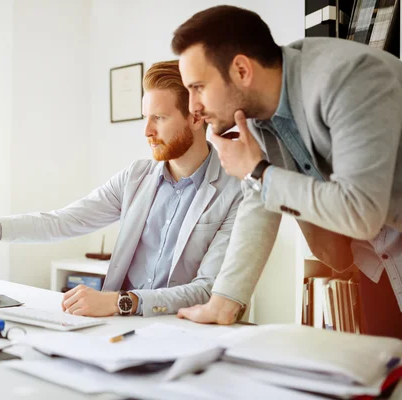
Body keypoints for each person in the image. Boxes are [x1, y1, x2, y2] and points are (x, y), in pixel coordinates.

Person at [0, 60, 243, 318]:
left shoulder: (234, 190)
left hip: (177, 329)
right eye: (145, 117)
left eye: (160, 118)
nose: (146, 131)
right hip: (118, 328)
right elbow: (61, 221)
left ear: (196, 118)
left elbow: (208, 291)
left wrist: (121, 302)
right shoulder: (136, 177)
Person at [171, 5, 402, 338]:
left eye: (198, 87)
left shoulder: (349, 78)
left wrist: (259, 172)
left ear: (241, 70)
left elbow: (360, 210)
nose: (193, 107)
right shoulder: (252, 113)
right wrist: (223, 302)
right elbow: (258, 201)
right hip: (377, 266)